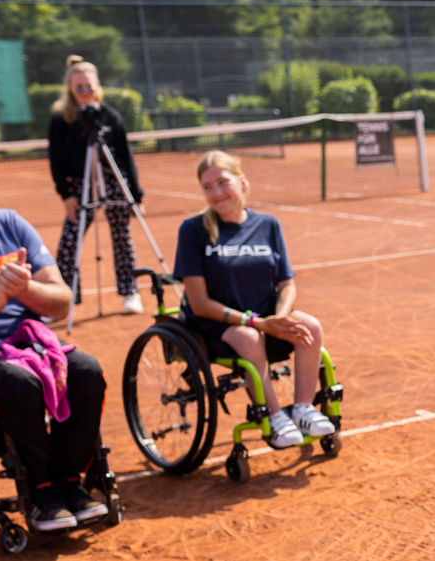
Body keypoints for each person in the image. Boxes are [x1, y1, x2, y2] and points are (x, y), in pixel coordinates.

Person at [0, 141, 109, 532]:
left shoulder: (8, 224)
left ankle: (70, 483)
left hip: (28, 346)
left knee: (86, 371)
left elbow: (60, 302)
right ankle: (40, 492)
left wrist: (25, 290)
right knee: (17, 383)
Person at [173, 150, 334, 448]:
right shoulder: (193, 231)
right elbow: (199, 304)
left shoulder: (268, 225)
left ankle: (302, 409)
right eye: (207, 187)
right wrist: (260, 323)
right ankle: (273, 417)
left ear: (242, 181)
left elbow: (286, 282)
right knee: (249, 338)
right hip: (216, 327)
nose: (216, 192)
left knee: (310, 326)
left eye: (222, 182)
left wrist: (280, 318)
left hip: (265, 318)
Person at [47, 55, 145, 314]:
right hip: (80, 185)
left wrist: (135, 195)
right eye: (79, 87)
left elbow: (125, 156)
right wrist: (66, 194)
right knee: (69, 242)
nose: (85, 92)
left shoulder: (110, 116)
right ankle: (63, 300)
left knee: (122, 237)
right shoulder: (61, 119)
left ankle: (129, 292)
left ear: (98, 85)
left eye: (89, 86)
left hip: (113, 181)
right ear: (70, 88)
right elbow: (57, 161)